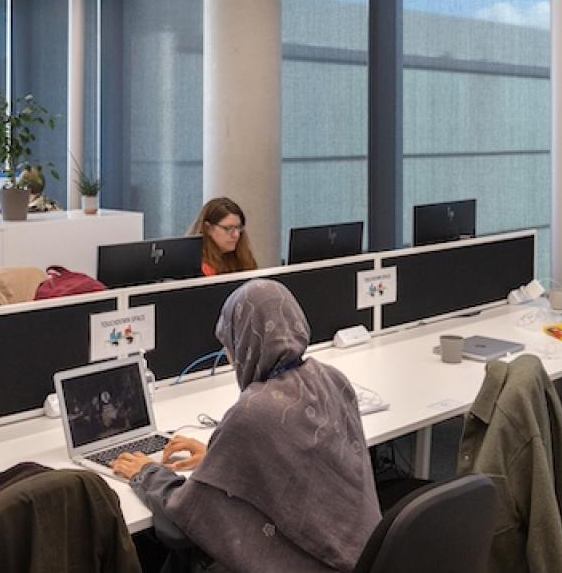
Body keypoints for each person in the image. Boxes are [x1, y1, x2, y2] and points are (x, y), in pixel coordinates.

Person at [110, 280, 380, 573]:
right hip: (364, 556)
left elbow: (186, 518)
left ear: (244, 343)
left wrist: (147, 474)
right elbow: (302, 463)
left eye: (228, 344)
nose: (229, 356)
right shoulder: (332, 378)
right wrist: (223, 461)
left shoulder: (252, 412)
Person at [188, 197, 259, 277]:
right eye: (228, 228)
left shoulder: (242, 256)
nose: (236, 235)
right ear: (208, 228)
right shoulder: (194, 265)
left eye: (238, 227)